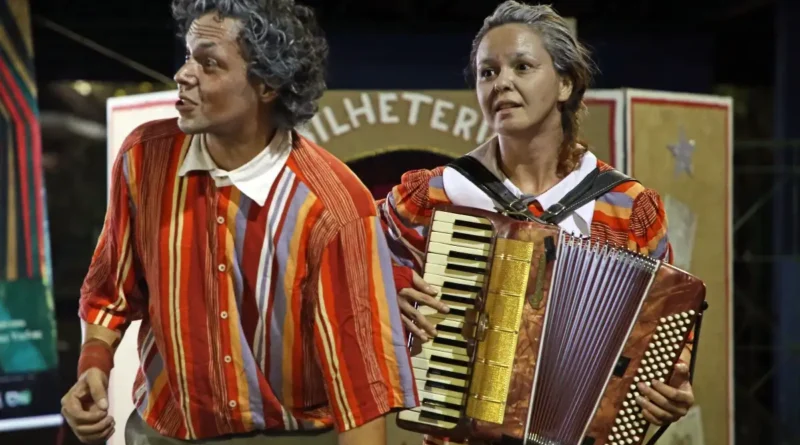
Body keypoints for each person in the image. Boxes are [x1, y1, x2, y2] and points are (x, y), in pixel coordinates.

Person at [60, 1, 417, 444]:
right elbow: (110, 289)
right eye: (188, 56)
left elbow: (360, 385)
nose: (183, 74)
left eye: (208, 63)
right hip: (164, 432)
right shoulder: (143, 158)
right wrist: (93, 365)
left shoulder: (333, 206)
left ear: (267, 85)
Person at [378, 2, 695, 444]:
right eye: (487, 72)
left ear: (565, 83)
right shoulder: (438, 193)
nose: (501, 82)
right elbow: (353, 280)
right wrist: (392, 301)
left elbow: (669, 347)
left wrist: (672, 390)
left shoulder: (627, 206)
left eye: (522, 67)